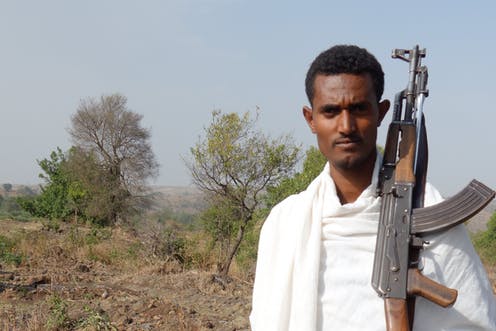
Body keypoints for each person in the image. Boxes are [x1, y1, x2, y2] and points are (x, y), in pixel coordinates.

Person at [250, 45, 496, 330]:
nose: (346, 126)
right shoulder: (285, 222)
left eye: (358, 109)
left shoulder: (425, 206)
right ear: (311, 119)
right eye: (331, 111)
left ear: (381, 113)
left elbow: (475, 320)